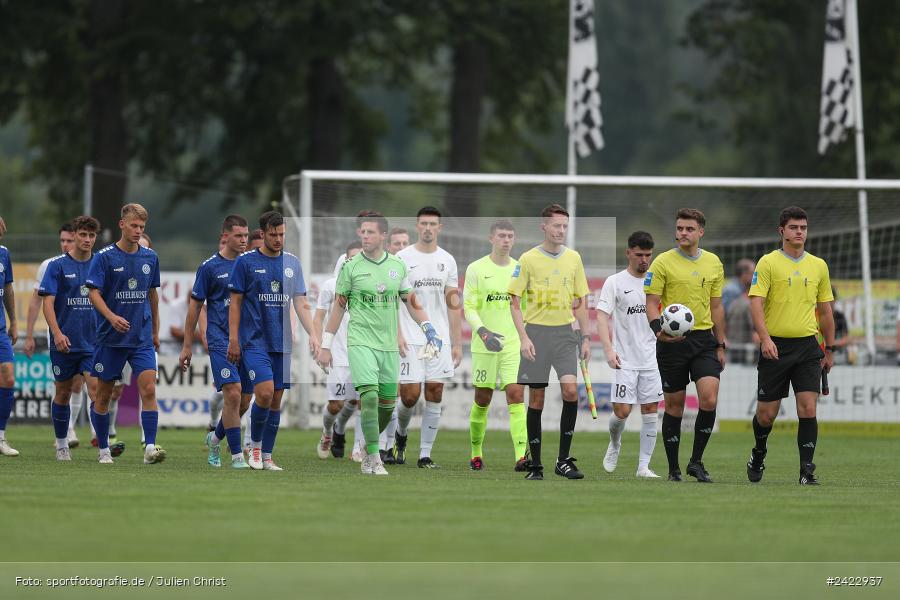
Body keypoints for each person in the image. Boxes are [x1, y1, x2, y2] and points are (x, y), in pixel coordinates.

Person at [316, 211, 441, 475]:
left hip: (388, 346)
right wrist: (326, 345)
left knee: (387, 404)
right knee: (369, 397)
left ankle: (367, 444)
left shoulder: (397, 266)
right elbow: (338, 308)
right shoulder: (351, 267)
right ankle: (373, 458)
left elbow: (410, 301)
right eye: (362, 231)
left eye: (370, 232)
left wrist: (428, 327)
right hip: (360, 342)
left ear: (383, 235)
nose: (365, 236)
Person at [747, 206, 835, 485]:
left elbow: (826, 311)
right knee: (766, 415)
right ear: (781, 231)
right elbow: (756, 303)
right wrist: (765, 338)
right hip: (776, 347)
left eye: (803, 228)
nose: (799, 232)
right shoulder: (768, 263)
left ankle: (806, 471)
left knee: (808, 408)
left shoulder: (818, 265)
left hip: (808, 347)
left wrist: (830, 349)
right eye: (794, 227)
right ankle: (758, 453)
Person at [228, 211, 319, 471]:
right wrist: (233, 338)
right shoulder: (245, 262)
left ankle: (267, 456)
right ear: (263, 233)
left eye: (282, 234)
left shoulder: (292, 263)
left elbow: (300, 302)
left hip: (282, 342)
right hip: (254, 341)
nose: (278, 239)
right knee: (265, 392)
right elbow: (235, 303)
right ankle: (255, 448)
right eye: (273, 234)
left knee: (276, 400)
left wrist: (313, 333)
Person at [509, 204, 591, 481]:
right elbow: (514, 301)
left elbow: (581, 302)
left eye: (565, 226)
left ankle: (563, 461)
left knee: (570, 391)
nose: (561, 230)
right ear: (543, 226)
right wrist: (524, 338)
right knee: (537, 398)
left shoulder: (574, 258)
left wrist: (586, 338)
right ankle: (536, 465)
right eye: (556, 225)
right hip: (537, 335)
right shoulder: (528, 259)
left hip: (565, 335)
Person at [645, 207, 725, 483]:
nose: (683, 233)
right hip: (671, 343)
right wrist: (658, 331)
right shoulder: (662, 262)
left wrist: (721, 344)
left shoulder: (713, 262)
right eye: (679, 228)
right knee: (675, 406)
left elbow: (717, 306)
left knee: (709, 399)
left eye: (689, 229)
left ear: (700, 232)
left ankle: (696, 462)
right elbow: (652, 303)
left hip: (703, 340)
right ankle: (673, 469)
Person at [86, 203, 165, 465]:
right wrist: (111, 316)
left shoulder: (150, 257)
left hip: (141, 338)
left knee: (149, 389)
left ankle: (150, 447)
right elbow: (92, 292)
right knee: (104, 395)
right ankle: (103, 449)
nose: (138, 231)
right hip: (111, 338)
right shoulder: (104, 257)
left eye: (142, 227)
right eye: (134, 225)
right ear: (122, 225)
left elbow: (153, 295)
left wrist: (155, 330)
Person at [180, 215, 251, 469]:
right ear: (225, 236)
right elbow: (195, 307)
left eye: (246, 235)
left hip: (247, 340)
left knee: (242, 401)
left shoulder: (250, 264)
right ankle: (237, 456)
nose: (243, 240)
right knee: (232, 392)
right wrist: (187, 345)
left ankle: (215, 438)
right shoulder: (209, 267)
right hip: (220, 339)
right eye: (238, 235)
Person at [395, 206, 462, 469]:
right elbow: (393, 300)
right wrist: (398, 333)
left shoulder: (448, 260)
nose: (428, 228)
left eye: (432, 224)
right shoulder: (402, 258)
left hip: (437, 340)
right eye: (423, 224)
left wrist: (456, 343)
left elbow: (453, 304)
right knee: (410, 395)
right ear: (417, 225)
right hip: (411, 337)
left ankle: (425, 454)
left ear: (439, 228)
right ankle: (401, 434)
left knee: (434, 391)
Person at [463, 220, 528, 471]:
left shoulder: (520, 269)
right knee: (483, 398)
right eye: (501, 235)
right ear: (491, 238)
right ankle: (476, 453)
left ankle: (521, 456)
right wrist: (483, 332)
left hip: (512, 345)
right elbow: (469, 307)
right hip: (484, 345)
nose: (506, 240)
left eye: (510, 236)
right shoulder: (476, 268)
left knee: (516, 395)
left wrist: (526, 337)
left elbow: (524, 308)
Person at [597, 231, 662, 479]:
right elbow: (602, 316)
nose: (644, 260)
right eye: (639, 255)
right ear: (628, 253)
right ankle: (615, 443)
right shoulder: (615, 282)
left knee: (650, 410)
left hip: (652, 359)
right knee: (622, 412)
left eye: (648, 255)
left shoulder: (657, 282)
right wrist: (608, 350)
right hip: (624, 359)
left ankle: (643, 467)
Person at [39, 216, 103, 460]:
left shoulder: (101, 264)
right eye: (83, 234)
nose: (87, 239)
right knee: (63, 393)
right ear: (74, 235)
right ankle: (62, 444)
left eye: (91, 235)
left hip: (93, 343)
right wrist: (57, 333)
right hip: (64, 342)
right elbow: (47, 303)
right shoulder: (57, 266)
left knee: (96, 390)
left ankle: (104, 448)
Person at [24, 222, 86, 448]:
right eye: (62, 240)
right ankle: (65, 432)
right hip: (59, 335)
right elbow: (36, 302)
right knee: (63, 385)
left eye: (69, 240)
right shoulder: (49, 265)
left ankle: (70, 429)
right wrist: (29, 335)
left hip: (84, 335)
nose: (65, 244)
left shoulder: (90, 263)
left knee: (79, 384)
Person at [314, 241, 362, 459]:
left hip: (363, 353)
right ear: (345, 260)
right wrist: (321, 345)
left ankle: (358, 449)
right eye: (352, 258)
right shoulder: (331, 285)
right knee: (336, 405)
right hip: (339, 354)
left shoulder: (373, 284)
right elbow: (319, 317)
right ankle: (328, 432)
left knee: (362, 401)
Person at [377, 227, 410, 462]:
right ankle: (382, 445)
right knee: (383, 394)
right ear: (389, 246)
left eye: (405, 243)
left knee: (400, 395)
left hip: (409, 343)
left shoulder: (408, 270)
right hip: (384, 338)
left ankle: (393, 442)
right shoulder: (384, 271)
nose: (401, 248)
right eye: (397, 244)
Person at [0, 216, 19, 457]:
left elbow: (8, 288)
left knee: (8, 376)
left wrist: (14, 321)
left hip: (0, 329)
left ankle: (1, 437)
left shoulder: (4, 254)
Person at [725, 260, 758, 365]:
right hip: (735, 342)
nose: (755, 276)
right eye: (753, 273)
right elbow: (725, 316)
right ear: (744, 274)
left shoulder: (742, 289)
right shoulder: (732, 290)